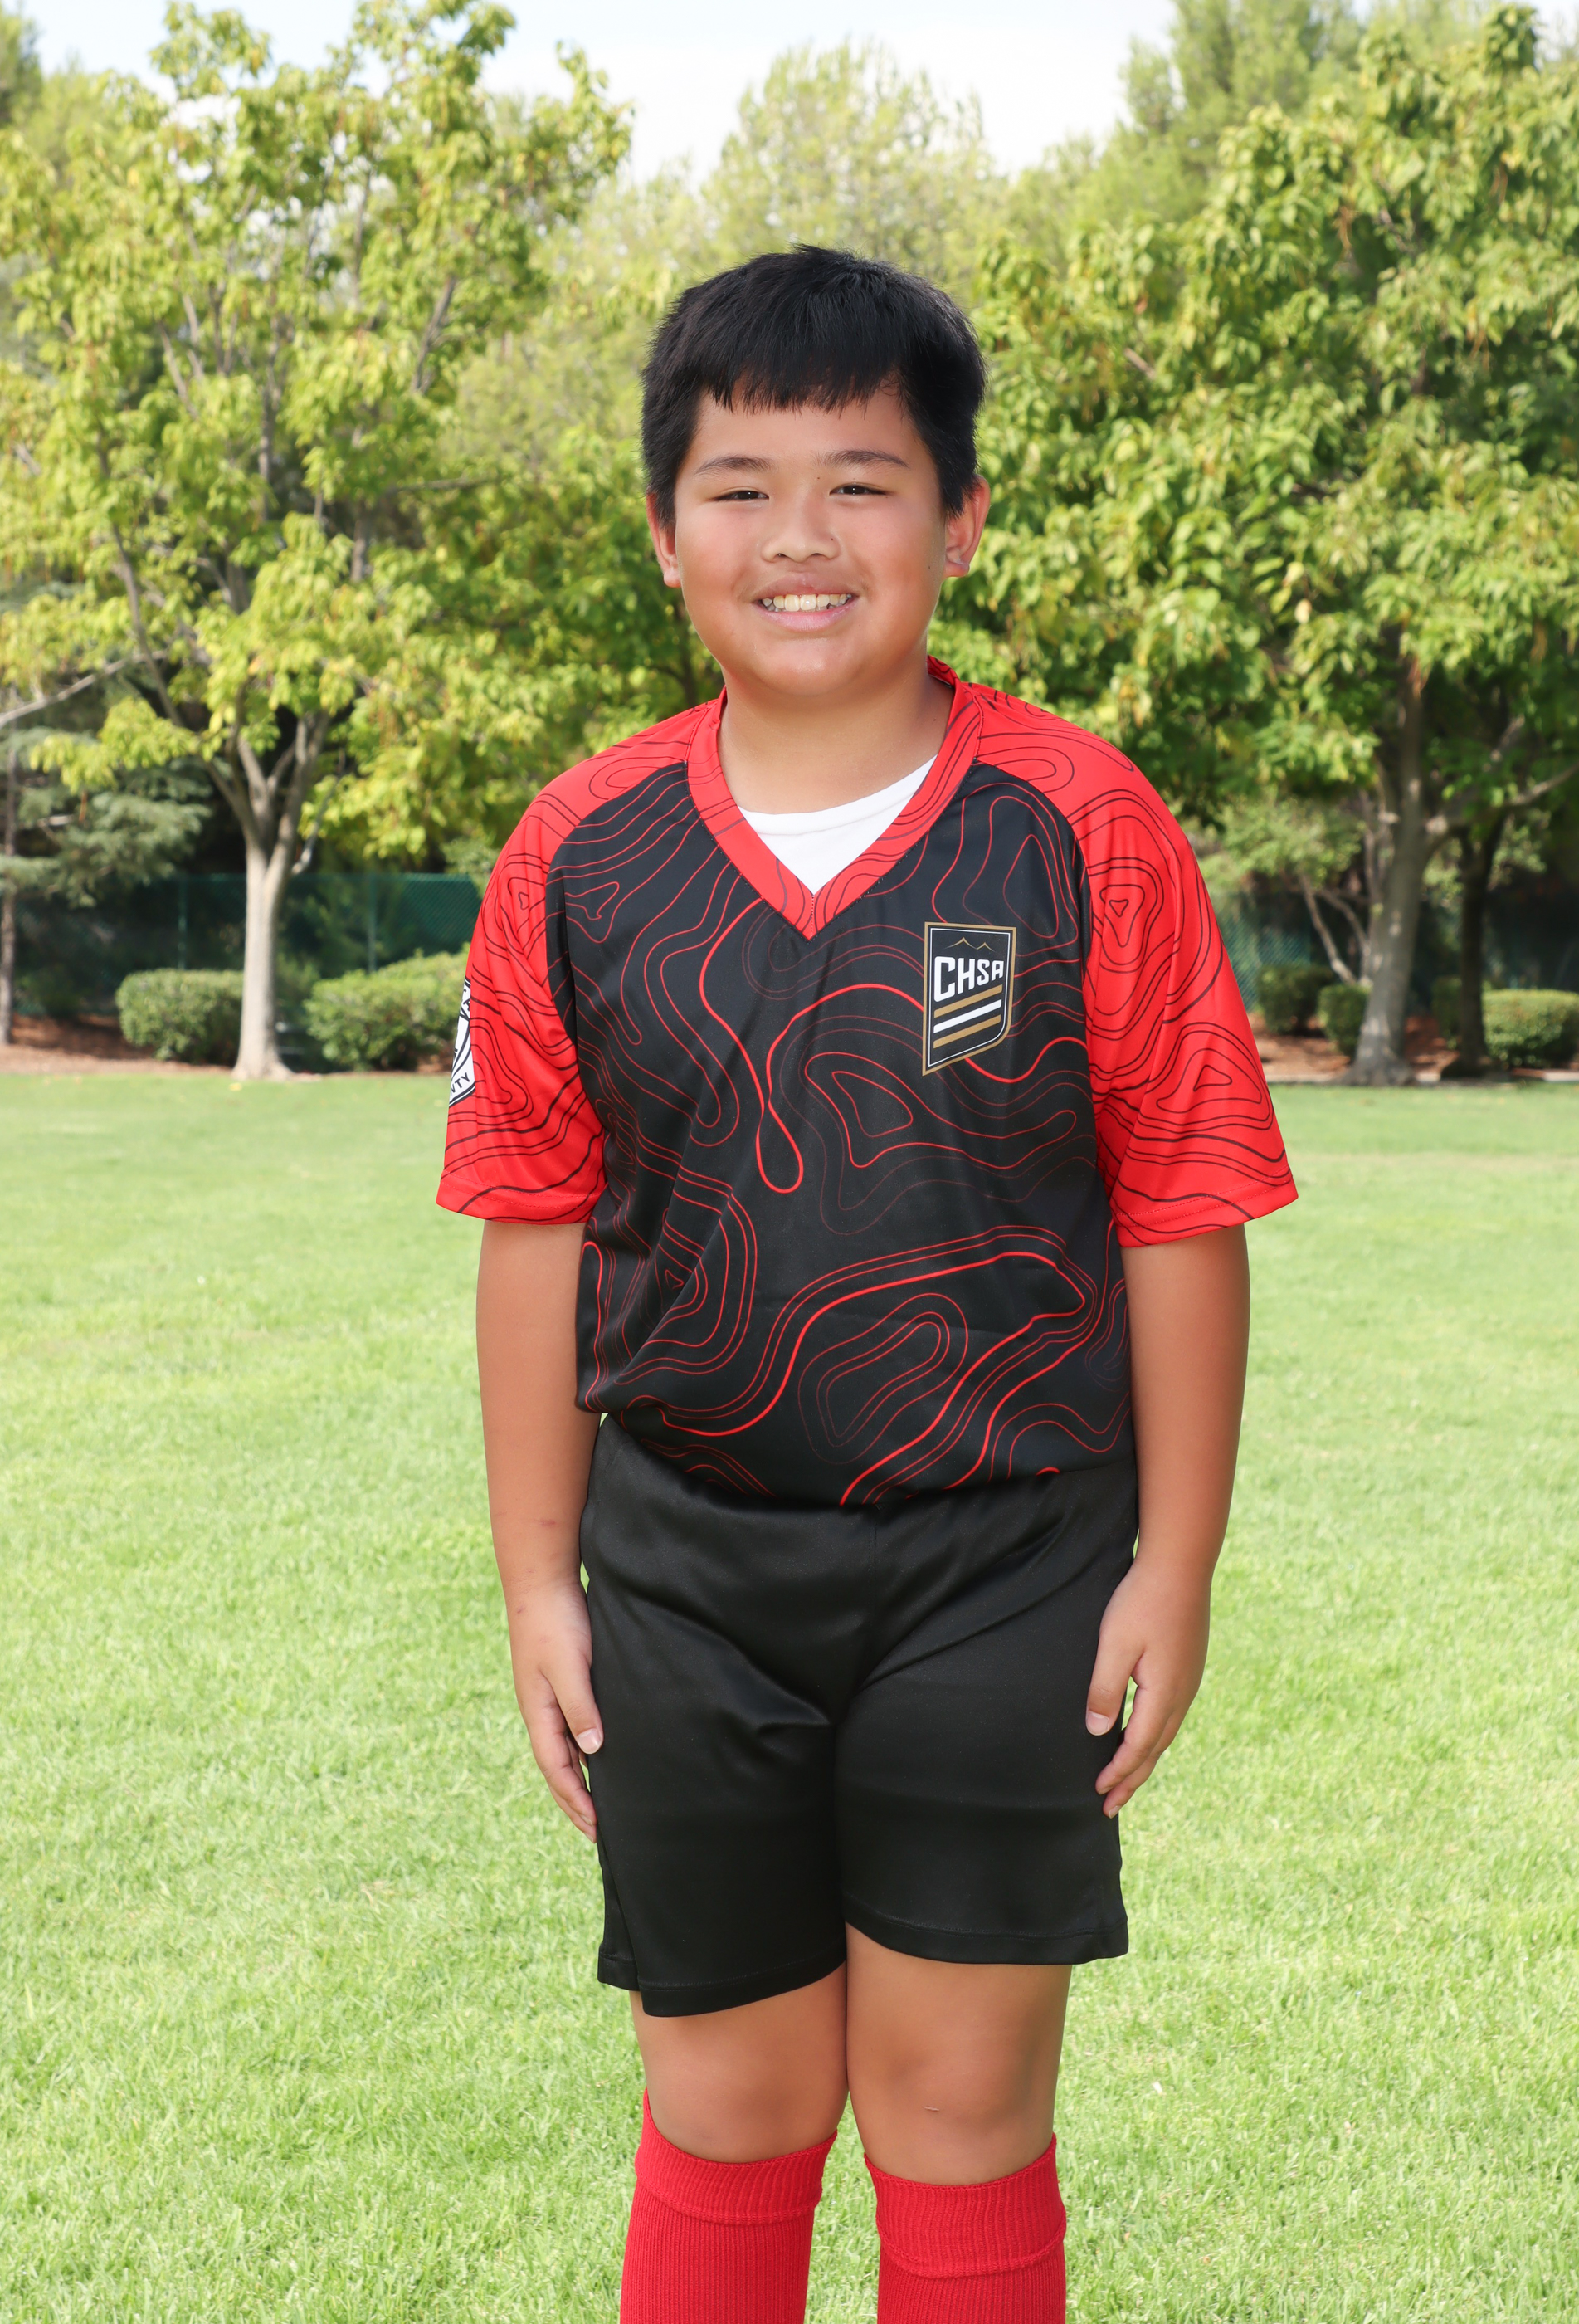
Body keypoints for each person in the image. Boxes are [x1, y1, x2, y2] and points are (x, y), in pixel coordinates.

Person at [438, 246, 1296, 2324]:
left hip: (1005, 1563)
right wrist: (540, 1577)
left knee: (957, 2099)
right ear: (666, 534)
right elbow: (532, 1218)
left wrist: (1174, 1565)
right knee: (726, 2100)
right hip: (685, 1570)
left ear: (959, 519)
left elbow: (1180, 1205)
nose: (799, 536)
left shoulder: (1079, 824)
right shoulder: (579, 851)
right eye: (740, 486)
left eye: (862, 481)